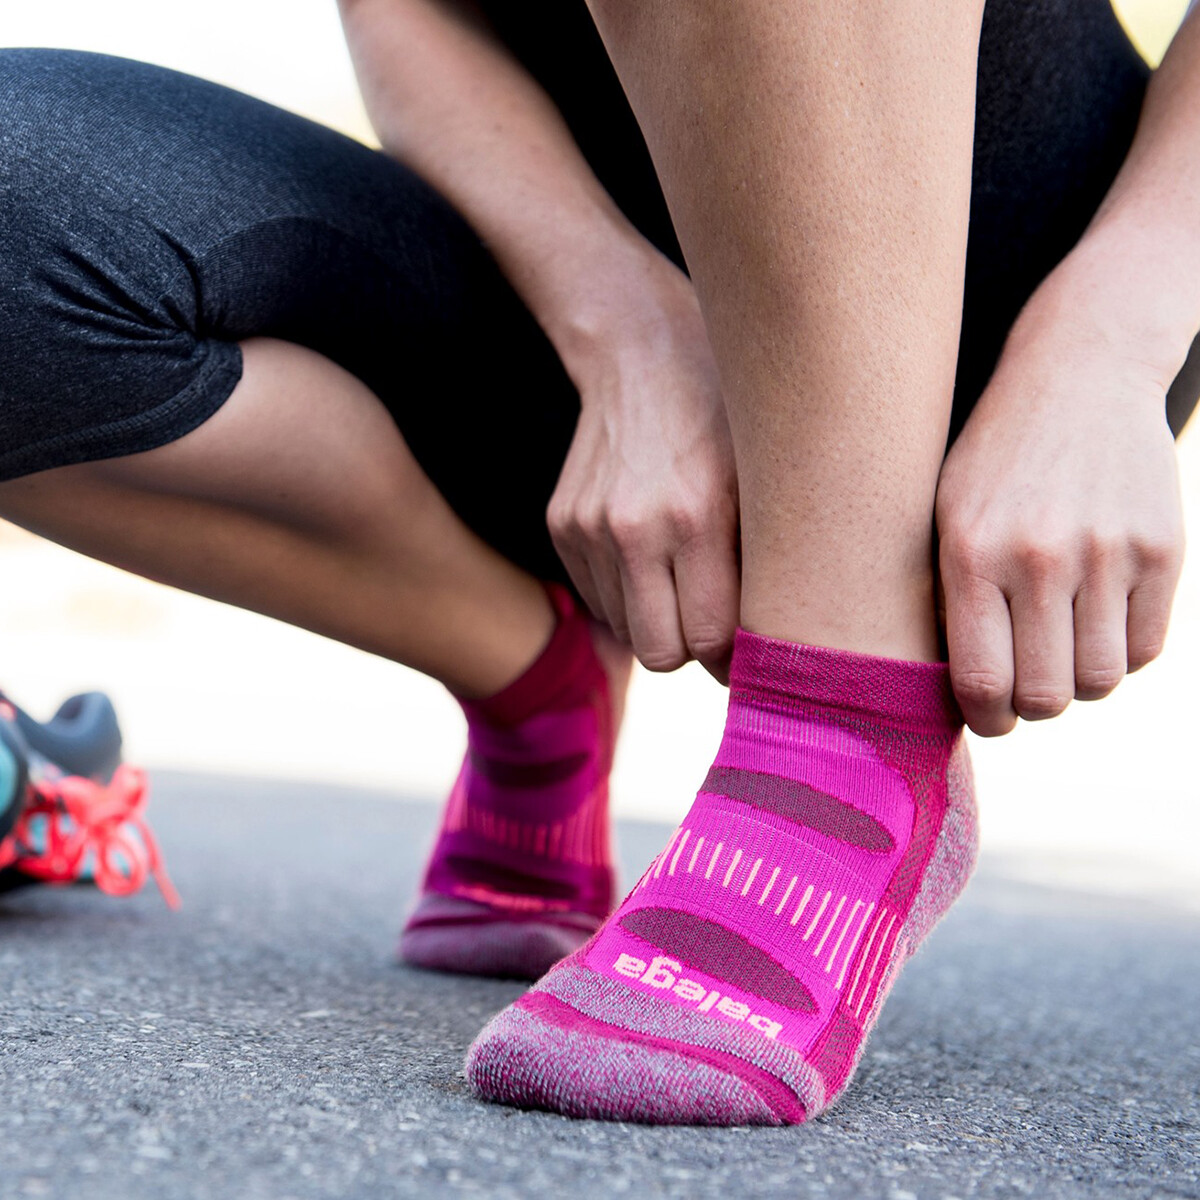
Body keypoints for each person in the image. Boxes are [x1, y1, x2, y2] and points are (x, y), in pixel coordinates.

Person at [0, 0, 1193, 1125]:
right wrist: (624, 329)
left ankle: (846, 729)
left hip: (1019, 269)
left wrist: (1112, 339)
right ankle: (536, 680)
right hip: (571, 323)